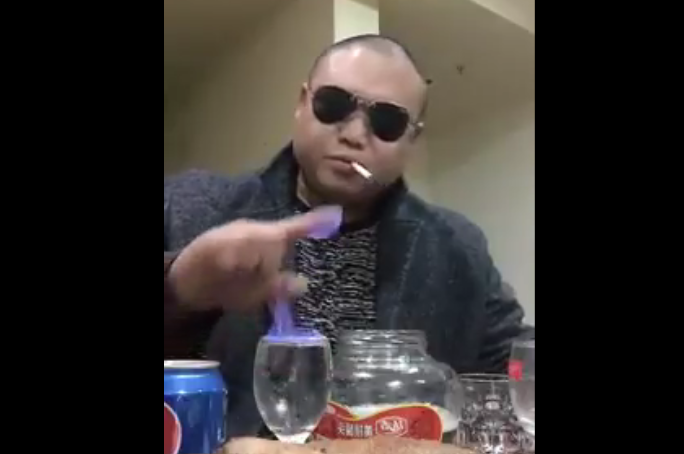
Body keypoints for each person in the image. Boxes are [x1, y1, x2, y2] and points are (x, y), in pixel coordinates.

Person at [164, 34, 533, 437]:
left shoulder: (457, 248)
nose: (354, 135)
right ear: (302, 102)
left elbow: (515, 365)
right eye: (334, 104)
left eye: (387, 121)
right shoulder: (194, 207)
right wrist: (178, 287)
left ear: (412, 138)